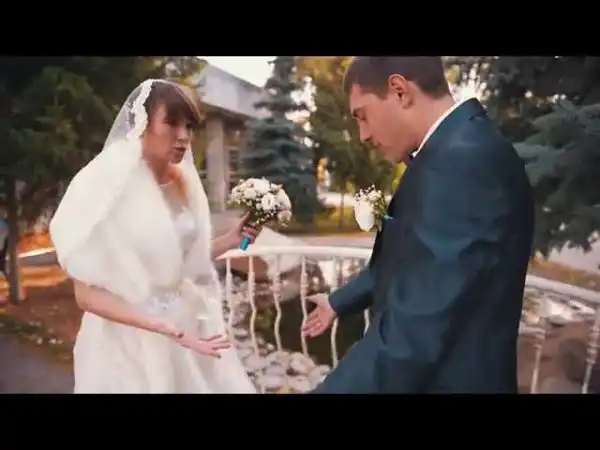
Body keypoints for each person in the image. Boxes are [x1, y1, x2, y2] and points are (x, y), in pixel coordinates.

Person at [302, 57, 535, 393]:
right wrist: (338, 301)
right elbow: (407, 262)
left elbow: (413, 331)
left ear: (400, 91)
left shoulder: (461, 161)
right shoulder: (449, 151)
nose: (363, 135)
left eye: (362, 116)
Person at [49, 79, 259, 393]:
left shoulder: (182, 182)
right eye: (172, 123)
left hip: (187, 329)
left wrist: (230, 240)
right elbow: (86, 295)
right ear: (143, 123)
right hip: (128, 341)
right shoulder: (108, 187)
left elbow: (179, 265)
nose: (183, 136)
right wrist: (157, 325)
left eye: (189, 126)